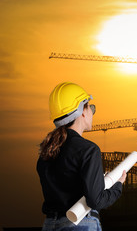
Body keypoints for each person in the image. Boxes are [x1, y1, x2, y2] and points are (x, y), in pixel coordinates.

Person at [37, 82, 126, 231]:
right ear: (82, 111)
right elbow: (95, 200)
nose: (92, 112)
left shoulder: (47, 151)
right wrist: (118, 185)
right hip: (80, 225)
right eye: (91, 107)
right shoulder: (88, 150)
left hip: (50, 225)